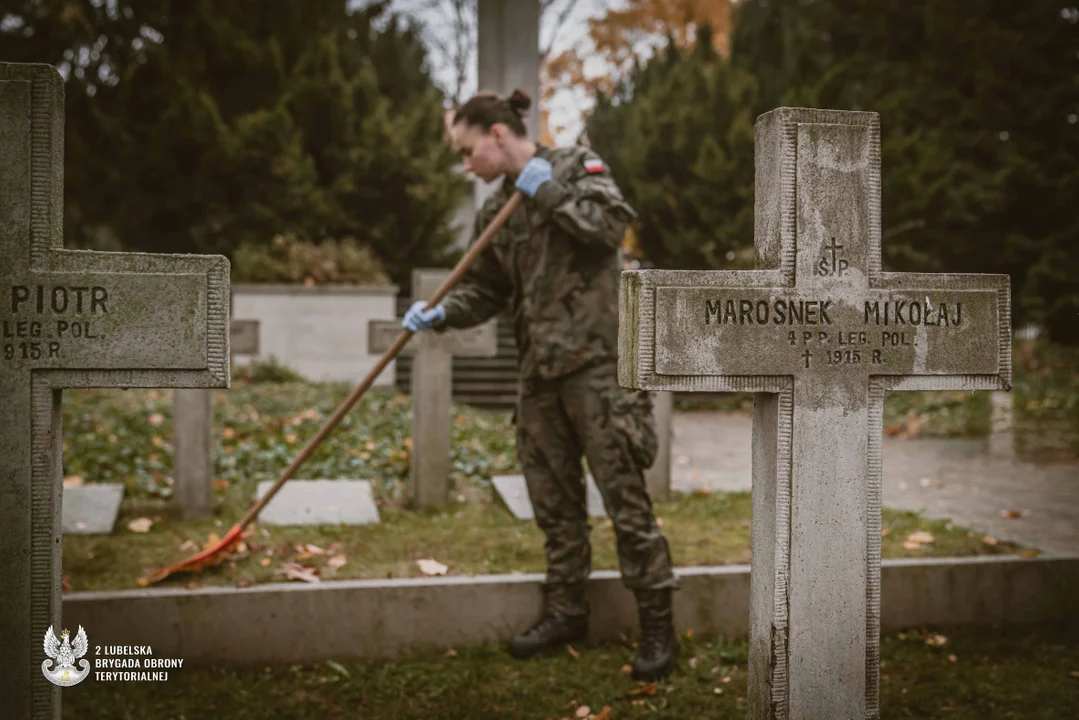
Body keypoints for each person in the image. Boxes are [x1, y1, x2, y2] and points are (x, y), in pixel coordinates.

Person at [403, 89, 678, 681]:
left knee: (626, 503)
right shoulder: (494, 211)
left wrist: (546, 191)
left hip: (598, 368)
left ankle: (657, 624)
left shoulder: (577, 169)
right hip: (540, 376)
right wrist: (442, 313)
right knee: (554, 507)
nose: (465, 164)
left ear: (497, 135)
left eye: (467, 150)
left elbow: (610, 229)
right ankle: (566, 612)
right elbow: (489, 291)